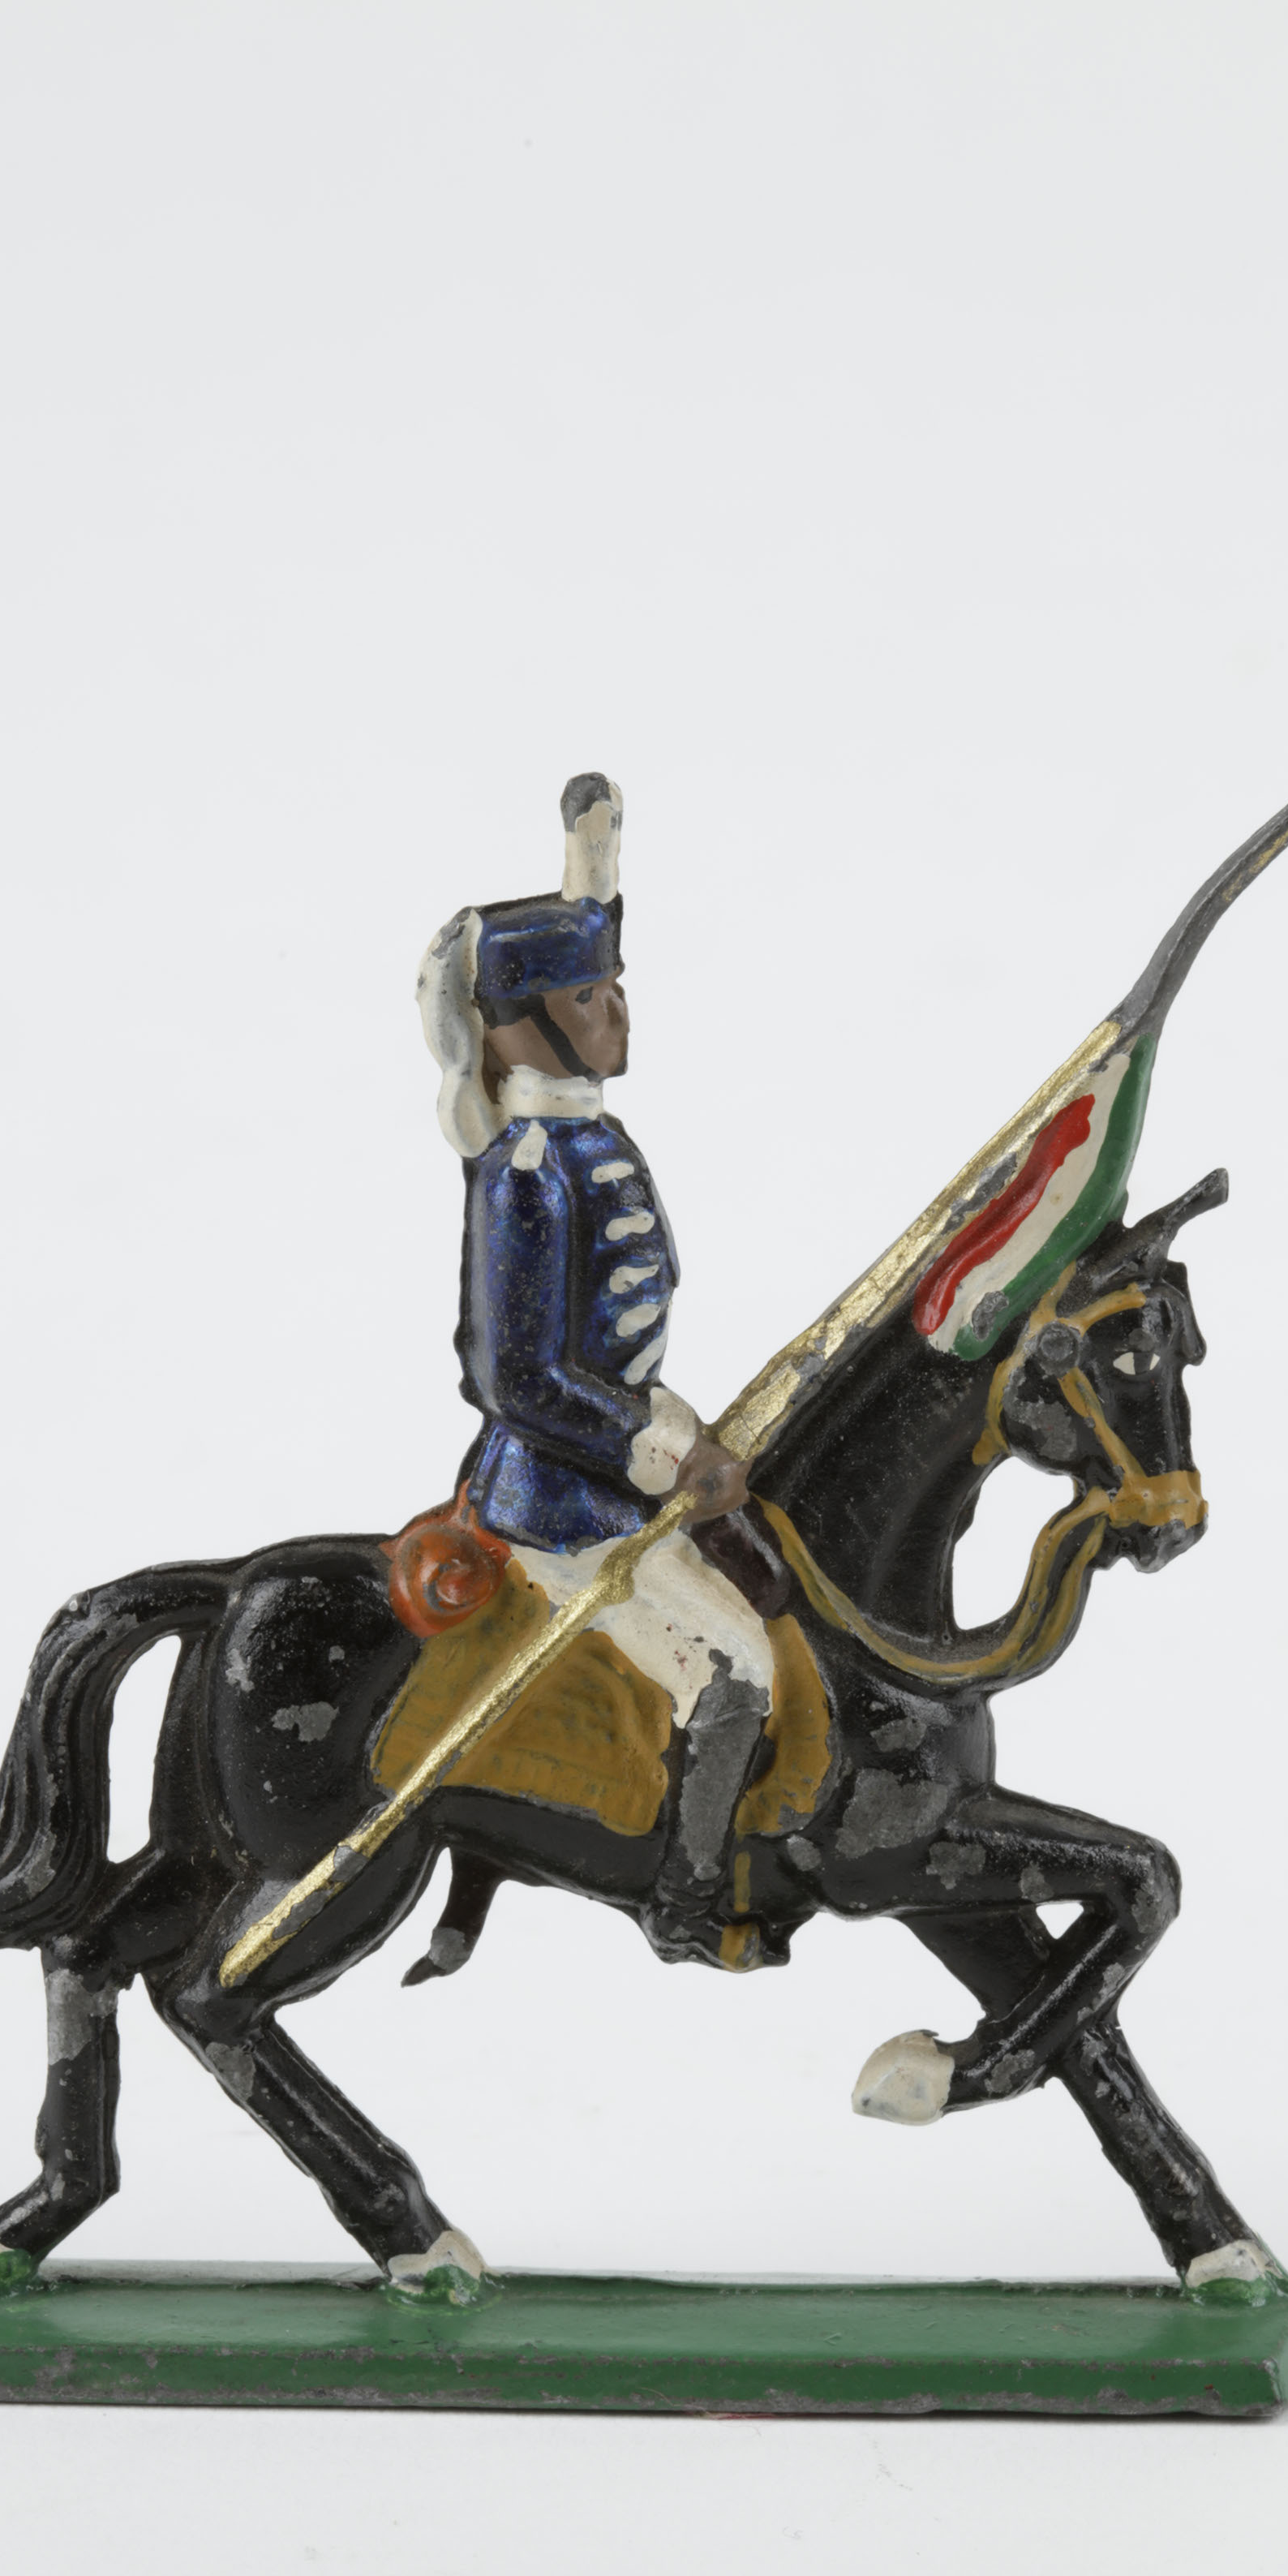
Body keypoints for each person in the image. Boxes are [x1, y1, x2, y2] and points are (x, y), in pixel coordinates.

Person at [415, 775, 779, 1967]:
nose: (617, 1010)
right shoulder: (528, 1167)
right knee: (735, 1674)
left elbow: (610, 1344)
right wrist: (664, 1447)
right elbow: (516, 1379)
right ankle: (683, 1902)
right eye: (587, 994)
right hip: (559, 1500)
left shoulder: (587, 1135)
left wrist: (593, 862)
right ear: (516, 1024)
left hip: (619, 1469)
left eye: (617, 986)